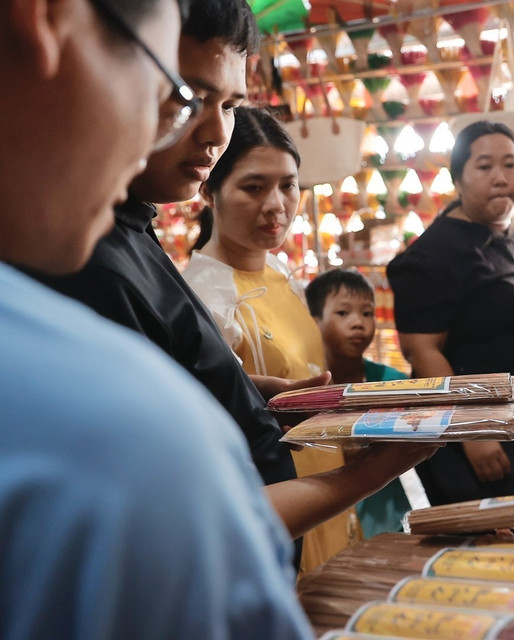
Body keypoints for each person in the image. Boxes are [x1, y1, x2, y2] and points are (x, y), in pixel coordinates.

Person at [28, 1, 435, 564]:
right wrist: (372, 470)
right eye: (186, 96)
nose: (216, 130)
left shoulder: (130, 232)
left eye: (230, 104)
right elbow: (172, 518)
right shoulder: (76, 256)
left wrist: (247, 395)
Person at [0, 0, 315, 637]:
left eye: (229, 106)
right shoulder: (132, 433)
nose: (169, 126)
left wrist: (237, 395)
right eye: (173, 91)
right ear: (47, 23)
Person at [182, 106, 359, 572]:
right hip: (271, 497)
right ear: (209, 191)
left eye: (288, 184)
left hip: (323, 480)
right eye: (253, 186)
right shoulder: (205, 297)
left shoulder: (281, 274)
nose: (277, 204)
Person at [387, 120, 514, 505]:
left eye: (511, 164)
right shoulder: (433, 254)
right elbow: (422, 351)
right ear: (458, 180)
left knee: (506, 537)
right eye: (484, 166)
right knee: (472, 545)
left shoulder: (512, 239)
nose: (500, 177)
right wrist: (472, 431)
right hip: (466, 436)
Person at [305, 268, 413, 537]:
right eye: (343, 313)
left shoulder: (391, 383)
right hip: (323, 516)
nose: (358, 323)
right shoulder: (305, 387)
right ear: (313, 320)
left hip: (386, 518)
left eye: (367, 313)